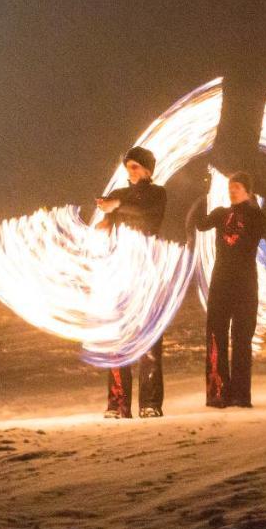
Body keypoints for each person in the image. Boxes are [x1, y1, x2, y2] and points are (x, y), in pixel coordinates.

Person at [95, 146, 167, 418]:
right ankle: (117, 403)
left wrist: (117, 206)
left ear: (148, 169)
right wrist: (103, 221)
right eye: (128, 166)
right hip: (122, 272)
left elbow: (147, 214)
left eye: (136, 166)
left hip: (147, 273)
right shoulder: (119, 195)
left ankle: (150, 403)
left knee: (148, 340)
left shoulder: (157, 194)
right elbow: (108, 221)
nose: (130, 171)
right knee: (118, 341)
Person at [190, 171, 266, 407]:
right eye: (230, 187)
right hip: (221, 282)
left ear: (248, 191)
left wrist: (246, 208)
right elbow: (199, 223)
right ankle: (218, 392)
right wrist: (202, 195)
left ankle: (241, 395)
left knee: (242, 338)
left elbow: (257, 234)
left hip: (244, 282)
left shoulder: (257, 215)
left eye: (237, 187)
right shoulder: (220, 213)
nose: (232, 190)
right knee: (216, 335)